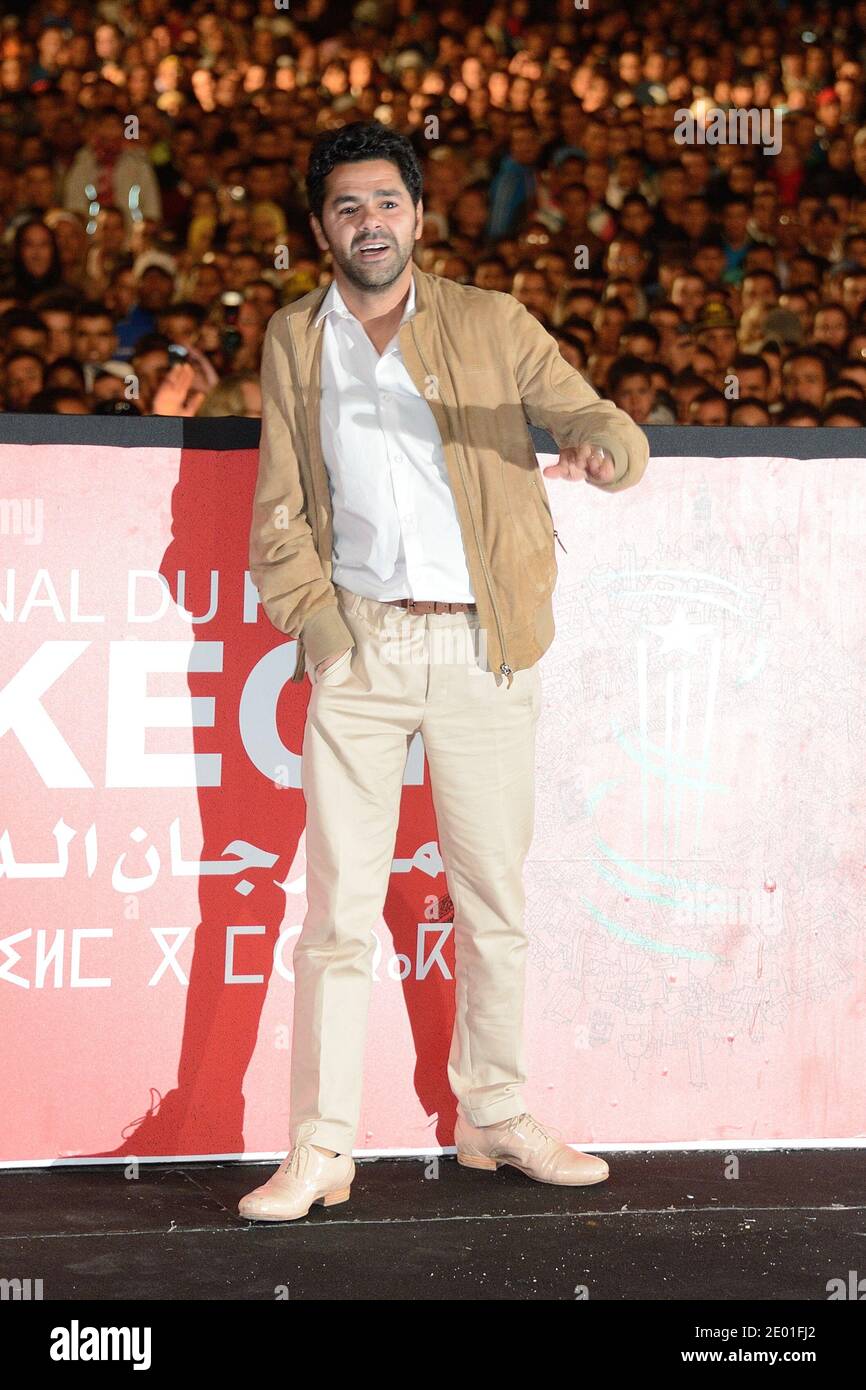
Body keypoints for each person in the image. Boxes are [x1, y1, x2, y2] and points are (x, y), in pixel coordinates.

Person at [243, 121, 648, 1222]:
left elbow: (583, 411)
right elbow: (277, 506)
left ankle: (493, 1113)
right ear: (320, 227)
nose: (367, 222)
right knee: (336, 910)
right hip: (363, 646)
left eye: (385, 201)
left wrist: (609, 449)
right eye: (344, 207)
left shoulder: (490, 320)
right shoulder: (293, 337)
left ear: (417, 215)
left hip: (483, 647)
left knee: (492, 898)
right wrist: (325, 635)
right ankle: (321, 1146)